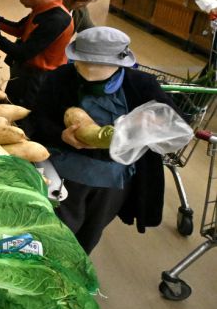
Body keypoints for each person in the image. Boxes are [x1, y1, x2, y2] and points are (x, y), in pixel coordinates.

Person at [33, 27, 179, 254]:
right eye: (86, 61)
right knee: (56, 229)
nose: (91, 68)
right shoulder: (59, 78)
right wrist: (61, 135)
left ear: (120, 63)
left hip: (113, 179)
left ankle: (76, 265)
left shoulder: (142, 85)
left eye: (100, 63)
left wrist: (143, 128)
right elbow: (38, 117)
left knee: (89, 233)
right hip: (63, 173)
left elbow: (173, 123)